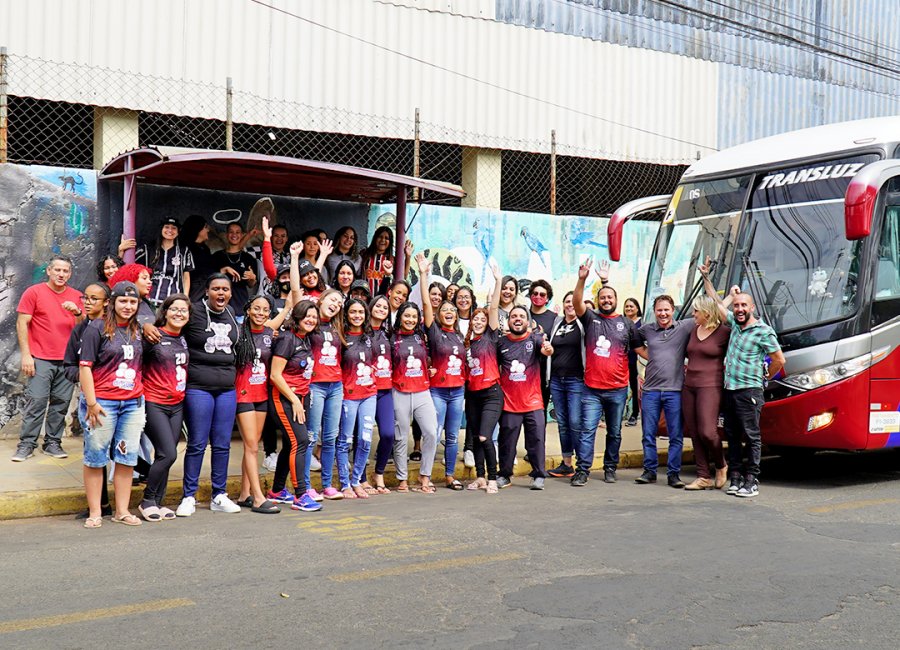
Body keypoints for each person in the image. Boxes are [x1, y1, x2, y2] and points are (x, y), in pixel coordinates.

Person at [701, 260, 785, 498]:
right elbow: (716, 304)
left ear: (752, 307)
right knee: (732, 436)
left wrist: (766, 375)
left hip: (749, 392)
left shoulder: (763, 331)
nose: (738, 309)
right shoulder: (735, 327)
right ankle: (736, 478)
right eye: (736, 305)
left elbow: (779, 359)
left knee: (751, 436)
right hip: (730, 390)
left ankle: (752, 480)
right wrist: (707, 278)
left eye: (743, 305)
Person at [78, 281, 145, 528]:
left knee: (126, 458)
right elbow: (84, 368)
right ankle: (95, 512)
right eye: (123, 301)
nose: (128, 306)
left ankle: (122, 510)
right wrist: (92, 403)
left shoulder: (139, 330)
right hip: (102, 403)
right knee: (96, 458)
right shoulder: (96, 329)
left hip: (132, 404)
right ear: (112, 303)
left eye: (133, 302)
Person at [176, 273, 242, 516]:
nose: (221, 293)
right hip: (199, 387)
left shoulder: (231, 315)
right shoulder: (193, 312)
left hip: (226, 389)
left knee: (223, 444)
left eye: (225, 289)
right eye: (216, 289)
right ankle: (189, 496)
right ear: (207, 291)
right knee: (197, 443)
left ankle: (219, 495)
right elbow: (168, 325)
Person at [13, 255, 84, 462]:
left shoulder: (77, 296)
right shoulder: (34, 292)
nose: (61, 274)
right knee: (36, 401)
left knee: (61, 403)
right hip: (40, 358)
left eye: (66, 271)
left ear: (70, 274)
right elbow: (21, 323)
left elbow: (84, 327)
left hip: (67, 361)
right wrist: (26, 355)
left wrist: (77, 311)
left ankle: (52, 442)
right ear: (49, 271)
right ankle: (26, 444)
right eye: (58, 270)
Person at [572, 257, 636, 486]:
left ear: (616, 301)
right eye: (602, 297)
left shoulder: (626, 323)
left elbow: (641, 350)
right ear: (597, 300)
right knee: (587, 430)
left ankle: (610, 467)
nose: (606, 300)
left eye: (610, 297)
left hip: (618, 390)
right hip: (592, 389)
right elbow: (577, 301)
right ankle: (582, 470)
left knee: (615, 433)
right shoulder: (590, 318)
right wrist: (582, 279)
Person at [139, 293, 191, 521]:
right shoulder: (153, 336)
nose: (179, 313)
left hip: (176, 405)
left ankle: (157, 503)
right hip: (154, 402)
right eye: (174, 309)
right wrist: (145, 325)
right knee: (168, 453)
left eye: (184, 310)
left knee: (165, 455)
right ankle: (147, 500)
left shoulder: (184, 338)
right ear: (165, 312)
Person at [417, 253, 467, 491]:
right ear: (438, 314)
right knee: (433, 434)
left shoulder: (459, 335)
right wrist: (423, 274)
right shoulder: (435, 332)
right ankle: (425, 476)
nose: (449, 311)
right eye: (445, 309)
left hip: (457, 392)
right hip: (438, 391)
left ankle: (449, 476)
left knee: (453, 437)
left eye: (452, 310)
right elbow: (427, 303)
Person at [632, 295, 693, 488]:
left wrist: (729, 298)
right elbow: (634, 340)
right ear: (654, 311)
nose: (663, 313)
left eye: (666, 310)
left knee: (675, 435)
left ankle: (673, 474)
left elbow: (710, 313)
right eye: (659, 310)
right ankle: (649, 471)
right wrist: (648, 354)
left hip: (674, 391)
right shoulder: (647, 329)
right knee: (648, 433)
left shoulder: (684, 327)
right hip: (650, 391)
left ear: (673, 310)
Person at [268, 300, 323, 512]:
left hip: (301, 397)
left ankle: (277, 491)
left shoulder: (306, 339)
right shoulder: (287, 339)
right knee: (300, 441)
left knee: (292, 444)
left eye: (313, 316)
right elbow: (275, 375)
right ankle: (301, 495)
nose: (310, 319)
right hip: (284, 398)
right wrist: (293, 401)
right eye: (306, 315)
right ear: (297, 317)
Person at [63, 283, 111, 518]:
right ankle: (101, 504)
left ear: (106, 303)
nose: (88, 302)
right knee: (95, 451)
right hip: (92, 399)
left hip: (116, 396)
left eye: (94, 298)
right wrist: (83, 379)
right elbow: (69, 365)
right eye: (86, 298)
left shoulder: (112, 328)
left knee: (123, 450)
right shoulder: (81, 330)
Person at [232, 295, 282, 514]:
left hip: (262, 395)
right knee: (252, 446)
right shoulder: (238, 333)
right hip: (242, 395)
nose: (261, 313)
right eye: (256, 309)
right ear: (248, 310)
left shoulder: (271, 335)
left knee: (251, 446)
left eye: (265, 310)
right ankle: (259, 497)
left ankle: (245, 494)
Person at [496, 305, 553, 489]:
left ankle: (538, 475)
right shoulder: (501, 343)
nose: (517, 319)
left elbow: (546, 350)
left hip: (533, 402)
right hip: (509, 403)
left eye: (521, 316)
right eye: (513, 316)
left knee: (537, 441)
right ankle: (504, 475)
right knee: (507, 444)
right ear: (508, 321)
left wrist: (548, 349)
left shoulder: (535, 339)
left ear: (528, 322)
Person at [683, 295, 731, 491]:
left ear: (707, 313)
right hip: (689, 385)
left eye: (696, 311)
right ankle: (703, 476)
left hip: (710, 385)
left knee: (707, 431)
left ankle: (721, 464)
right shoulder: (694, 330)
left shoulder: (724, 333)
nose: (693, 314)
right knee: (694, 431)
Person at [302, 288, 346, 501]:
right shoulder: (311, 322)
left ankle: (327, 485)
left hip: (336, 385)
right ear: (321, 299)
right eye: (332, 299)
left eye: (339, 302)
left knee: (330, 438)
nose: (336, 304)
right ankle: (306, 486)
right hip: (315, 385)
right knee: (310, 436)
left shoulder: (338, 327)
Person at [391, 301, 438, 493]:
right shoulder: (391, 338)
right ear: (400, 317)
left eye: (413, 316)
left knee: (432, 433)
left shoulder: (423, 337)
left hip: (422, 391)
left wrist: (430, 368)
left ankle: (424, 476)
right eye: (406, 316)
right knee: (401, 438)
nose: (410, 320)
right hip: (399, 391)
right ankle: (402, 479)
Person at [463, 264, 503, 494]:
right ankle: (479, 476)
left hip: (491, 394)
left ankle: (493, 478)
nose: (478, 322)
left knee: (484, 435)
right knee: (476, 437)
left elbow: (494, 307)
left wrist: (497, 281)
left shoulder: (490, 337)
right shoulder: (467, 342)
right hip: (473, 395)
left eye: (482, 319)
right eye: (475, 319)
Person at [336, 298, 378, 499]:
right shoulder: (341, 337)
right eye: (353, 312)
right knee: (345, 440)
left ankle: (356, 480)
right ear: (346, 314)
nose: (357, 316)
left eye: (361, 312)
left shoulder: (370, 336)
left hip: (369, 394)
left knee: (365, 439)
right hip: (348, 396)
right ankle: (345, 484)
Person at [546, 291, 585, 479]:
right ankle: (567, 463)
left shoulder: (582, 324)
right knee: (563, 423)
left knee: (575, 422)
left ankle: (582, 464)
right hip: (556, 380)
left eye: (573, 301)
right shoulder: (557, 323)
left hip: (576, 380)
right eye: (567, 301)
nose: (570, 304)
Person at [368, 294, 395, 493]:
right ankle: (360, 478)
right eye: (378, 305)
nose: (381, 309)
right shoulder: (360, 331)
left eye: (385, 308)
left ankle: (379, 472)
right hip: (364, 391)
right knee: (362, 437)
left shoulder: (389, 333)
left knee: (388, 434)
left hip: (385, 390)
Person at [136, 217, 195, 306]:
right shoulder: (148, 249)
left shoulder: (184, 252)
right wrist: (121, 250)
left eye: (174, 228)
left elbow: (186, 277)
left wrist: (185, 297)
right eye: (167, 227)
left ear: (178, 231)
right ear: (161, 229)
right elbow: (130, 266)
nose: (170, 230)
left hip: (173, 301)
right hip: (149, 300)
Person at [212, 222, 258, 319]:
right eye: (231, 232)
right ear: (226, 235)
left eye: (237, 232)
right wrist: (223, 270)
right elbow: (208, 280)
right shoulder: (217, 256)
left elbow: (251, 284)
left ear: (242, 235)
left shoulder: (248, 258)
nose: (234, 235)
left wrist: (252, 278)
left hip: (240, 307)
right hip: (218, 307)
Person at [528, 279, 556, 416]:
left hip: (544, 373)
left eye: (542, 295)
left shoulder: (555, 318)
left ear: (547, 298)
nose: (538, 297)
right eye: (535, 293)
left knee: (540, 414)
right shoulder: (522, 315)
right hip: (524, 372)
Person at [180, 215, 217, 303]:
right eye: (205, 227)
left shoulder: (204, 248)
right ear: (197, 229)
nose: (208, 230)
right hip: (193, 294)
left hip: (204, 292)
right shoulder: (184, 249)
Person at [361, 227, 405, 296]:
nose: (383, 240)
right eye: (380, 237)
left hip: (383, 300)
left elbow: (403, 276)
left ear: (390, 242)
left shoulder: (392, 260)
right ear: (375, 238)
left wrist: (408, 257)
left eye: (386, 238)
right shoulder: (364, 255)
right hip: (364, 297)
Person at [623, 298, 643, 426]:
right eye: (627, 307)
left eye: (632, 306)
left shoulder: (643, 323)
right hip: (624, 361)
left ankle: (635, 414)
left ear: (637, 308)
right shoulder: (622, 322)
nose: (629, 309)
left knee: (636, 388)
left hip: (638, 361)